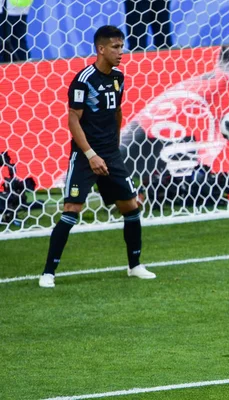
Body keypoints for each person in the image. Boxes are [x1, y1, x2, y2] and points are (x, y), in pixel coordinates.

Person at [39, 25, 155, 288]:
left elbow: (117, 112)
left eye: (121, 46)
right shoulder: (83, 80)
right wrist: (91, 154)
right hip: (84, 155)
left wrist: (113, 149)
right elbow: (73, 119)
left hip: (110, 155)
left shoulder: (118, 78)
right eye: (115, 47)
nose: (120, 52)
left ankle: (134, 265)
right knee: (71, 210)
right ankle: (48, 272)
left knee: (131, 207)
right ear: (100, 49)